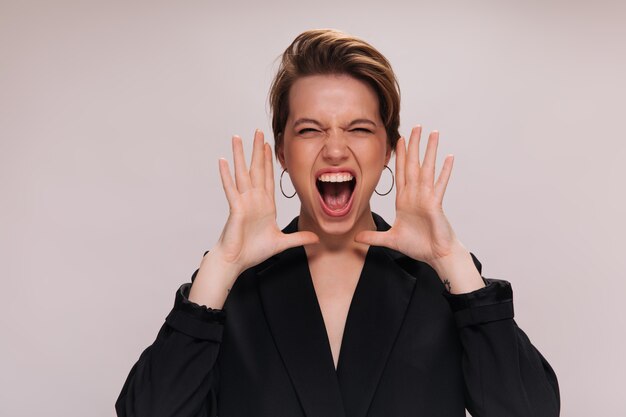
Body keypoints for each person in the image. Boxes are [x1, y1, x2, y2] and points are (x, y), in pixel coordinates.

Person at [115, 29, 560, 417]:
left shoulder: (443, 281)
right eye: (310, 129)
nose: (334, 149)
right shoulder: (232, 287)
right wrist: (223, 265)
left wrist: (452, 260)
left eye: (359, 129)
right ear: (283, 154)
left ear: (388, 151)